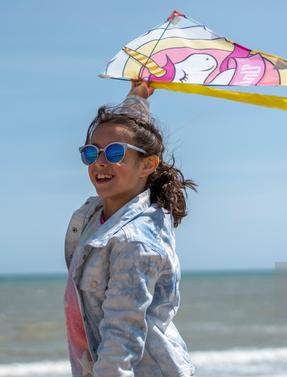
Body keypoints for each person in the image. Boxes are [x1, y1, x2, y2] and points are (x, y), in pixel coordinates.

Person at [64, 80, 196, 376]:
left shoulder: (134, 242)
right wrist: (138, 94)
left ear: (147, 165)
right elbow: (130, 128)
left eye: (114, 154)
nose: (100, 162)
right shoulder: (95, 214)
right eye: (91, 152)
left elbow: (121, 339)